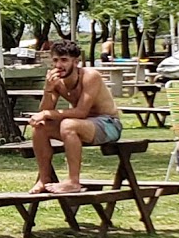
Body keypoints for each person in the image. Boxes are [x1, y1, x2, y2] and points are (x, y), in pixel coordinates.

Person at [29, 39, 122, 194]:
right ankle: (44, 178)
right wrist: (48, 89)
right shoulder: (57, 81)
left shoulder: (90, 76)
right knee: (40, 127)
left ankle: (73, 181)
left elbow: (81, 112)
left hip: (109, 124)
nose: (59, 65)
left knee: (68, 124)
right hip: (83, 125)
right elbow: (44, 111)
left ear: (76, 62)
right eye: (55, 60)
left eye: (64, 60)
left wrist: (45, 113)